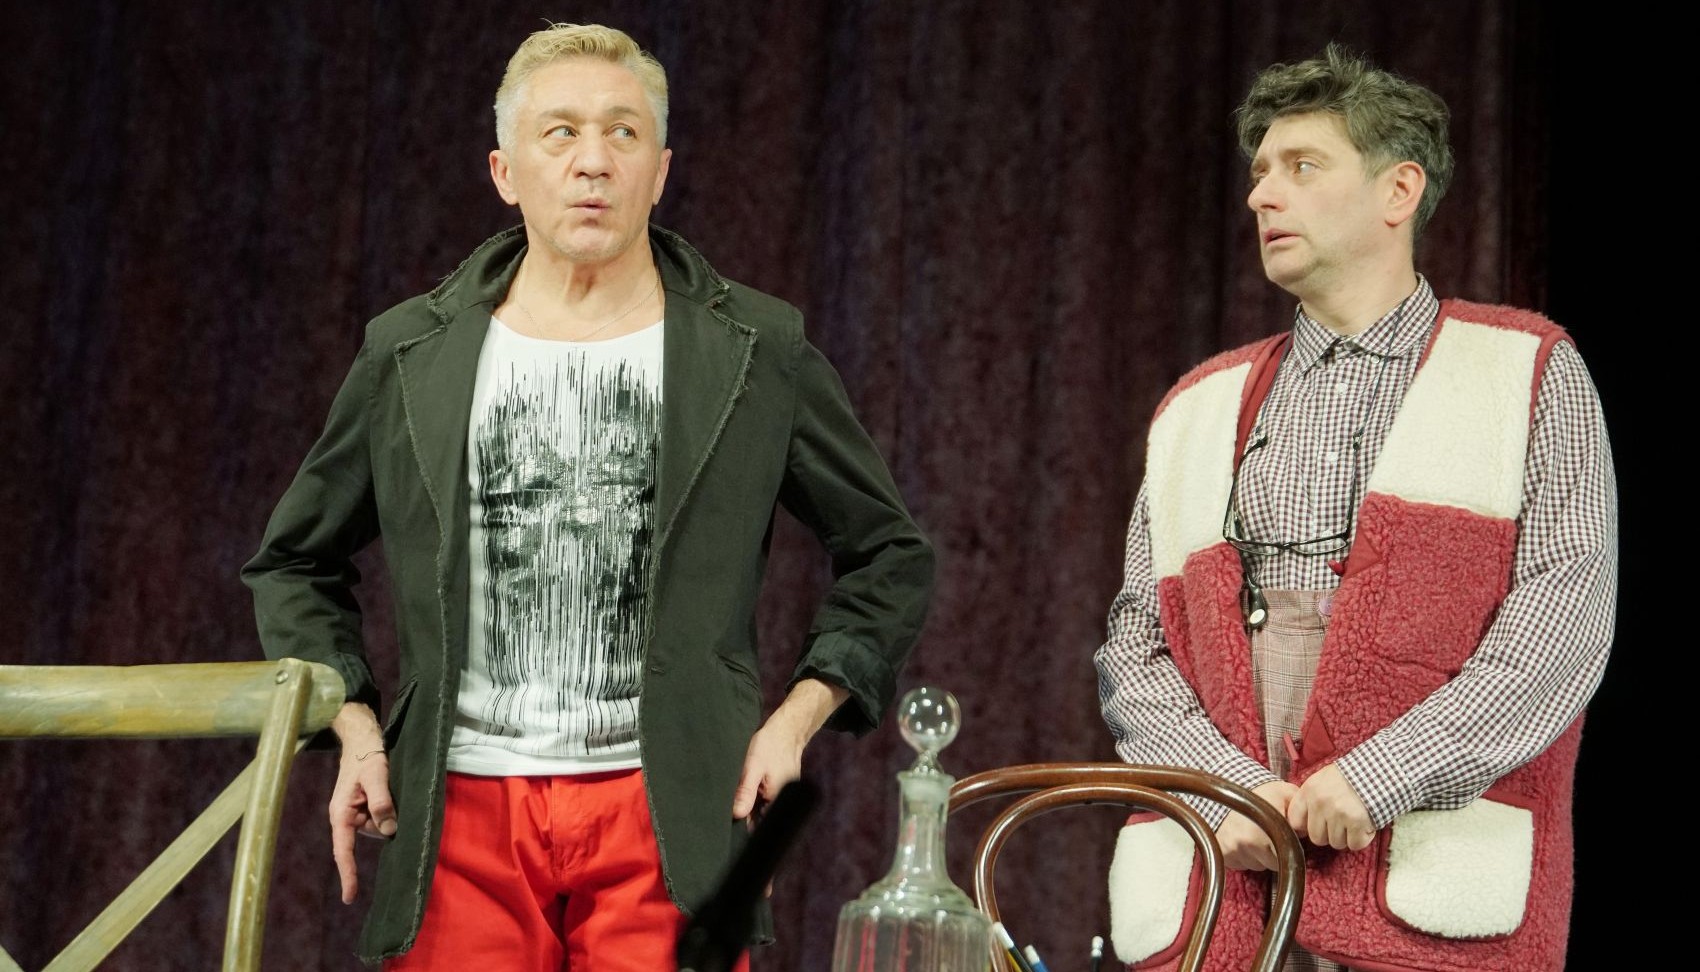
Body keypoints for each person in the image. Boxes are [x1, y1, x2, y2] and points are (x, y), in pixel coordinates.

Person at [242, 22, 934, 971]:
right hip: (460, 810)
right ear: (505, 171)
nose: (593, 161)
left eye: (623, 132)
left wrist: (794, 721)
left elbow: (890, 555)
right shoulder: (411, 351)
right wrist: (355, 723)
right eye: (560, 132)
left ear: (660, 170)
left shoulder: (754, 349)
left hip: (671, 806)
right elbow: (293, 562)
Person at [1094, 43, 1615, 972]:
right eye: (1260, 172)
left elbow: (1562, 619)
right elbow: (1135, 650)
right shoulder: (1197, 407)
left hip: (1425, 879)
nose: (1262, 196)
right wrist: (1224, 790)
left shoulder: (1525, 371)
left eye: (1302, 167)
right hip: (1230, 886)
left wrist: (1380, 777)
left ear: (1397, 190)